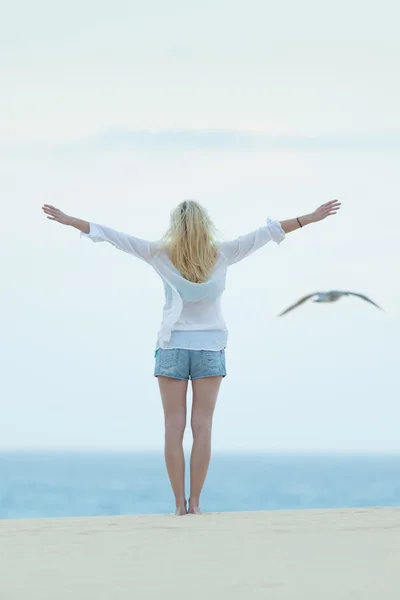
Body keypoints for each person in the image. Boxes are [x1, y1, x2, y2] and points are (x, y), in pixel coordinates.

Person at [42, 198, 341, 515]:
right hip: (210, 348)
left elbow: (112, 235)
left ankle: (178, 506)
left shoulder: (159, 254)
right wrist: (310, 217)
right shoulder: (223, 253)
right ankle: (196, 504)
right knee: (203, 426)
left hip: (172, 347)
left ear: (175, 227)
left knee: (173, 426)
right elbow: (269, 233)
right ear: (204, 226)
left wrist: (70, 220)